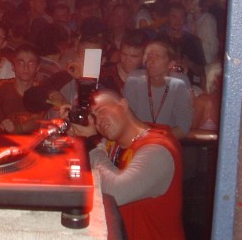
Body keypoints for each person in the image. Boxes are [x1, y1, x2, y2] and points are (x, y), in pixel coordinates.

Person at [70, 90, 185, 240]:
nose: (99, 121)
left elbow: (115, 193)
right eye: (94, 118)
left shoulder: (158, 149)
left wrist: (91, 142)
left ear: (123, 105)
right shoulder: (113, 143)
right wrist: (76, 131)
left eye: (101, 111)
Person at [123, 40, 193, 139]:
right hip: (138, 140)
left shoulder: (179, 84)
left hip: (166, 141)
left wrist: (156, 139)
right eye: (149, 56)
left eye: (157, 57)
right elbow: (128, 119)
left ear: (170, 63)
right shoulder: (134, 80)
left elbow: (183, 128)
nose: (151, 61)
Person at [0, 43, 43, 134]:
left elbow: (36, 121)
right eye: (20, 62)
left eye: (31, 63)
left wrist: (16, 129)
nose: (25, 67)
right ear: (13, 66)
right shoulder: (3, 86)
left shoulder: (41, 90)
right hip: (1, 140)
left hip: (30, 141)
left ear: (38, 67)